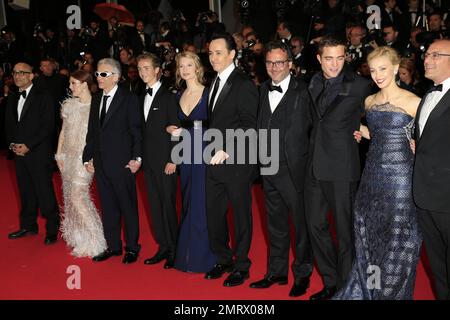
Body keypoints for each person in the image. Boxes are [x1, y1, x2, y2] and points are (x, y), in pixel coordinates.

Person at [334, 46, 422, 300]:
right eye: (373, 70)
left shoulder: (414, 101)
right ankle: (371, 289)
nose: (377, 75)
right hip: (371, 177)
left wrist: (421, 144)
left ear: (395, 68)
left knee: (398, 241)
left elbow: (433, 135)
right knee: (370, 236)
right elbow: (378, 133)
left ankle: (390, 295)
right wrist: (364, 133)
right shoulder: (370, 101)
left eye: (383, 69)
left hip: (400, 181)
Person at [305, 36, 372, 300]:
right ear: (319, 59)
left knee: (345, 232)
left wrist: (368, 130)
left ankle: (347, 287)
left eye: (340, 58)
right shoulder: (312, 82)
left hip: (342, 167)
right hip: (313, 166)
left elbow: (385, 107)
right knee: (316, 226)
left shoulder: (359, 85)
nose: (335, 64)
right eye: (329, 58)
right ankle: (331, 281)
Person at [249, 41, 313, 297]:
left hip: (295, 170)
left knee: (300, 226)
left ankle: (302, 274)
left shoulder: (304, 91)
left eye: (279, 62)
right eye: (269, 63)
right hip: (269, 168)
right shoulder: (262, 89)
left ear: (290, 65)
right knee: (275, 224)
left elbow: (314, 130)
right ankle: (276, 271)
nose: (274, 67)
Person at [204, 33, 258, 287]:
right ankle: (224, 259)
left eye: (218, 53)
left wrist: (226, 148)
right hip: (212, 162)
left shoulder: (243, 84)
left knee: (240, 216)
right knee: (214, 214)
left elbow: (250, 127)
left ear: (232, 54)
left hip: (236, 163)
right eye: (211, 53)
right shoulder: (214, 81)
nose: (213, 58)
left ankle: (242, 265)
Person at [82, 58, 142, 264]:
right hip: (100, 162)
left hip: (122, 163)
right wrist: (87, 157)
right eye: (97, 74)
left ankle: (132, 247)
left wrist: (136, 158)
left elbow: (136, 131)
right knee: (108, 207)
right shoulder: (96, 99)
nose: (99, 77)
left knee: (127, 206)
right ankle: (113, 246)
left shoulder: (129, 98)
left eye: (104, 74)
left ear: (116, 77)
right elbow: (92, 132)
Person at [166, 51, 218, 273]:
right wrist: (171, 130)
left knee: (202, 203)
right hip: (186, 153)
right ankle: (186, 255)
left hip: (205, 150)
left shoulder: (209, 93)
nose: (184, 69)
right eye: (181, 66)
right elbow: (180, 128)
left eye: (189, 65)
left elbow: (217, 124)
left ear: (197, 68)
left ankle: (206, 258)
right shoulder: (178, 95)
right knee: (188, 201)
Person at [5, 62, 60, 244]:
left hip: (38, 152)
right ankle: (28, 226)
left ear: (31, 76)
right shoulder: (12, 98)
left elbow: (48, 126)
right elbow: (9, 126)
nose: (17, 76)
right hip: (19, 154)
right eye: (15, 72)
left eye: (22, 72)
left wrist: (28, 145)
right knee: (25, 191)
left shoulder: (43, 96)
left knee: (44, 191)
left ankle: (52, 229)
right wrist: (13, 144)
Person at [55, 70, 107, 258]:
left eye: (74, 83)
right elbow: (64, 131)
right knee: (69, 196)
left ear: (85, 84)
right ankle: (80, 237)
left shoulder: (97, 106)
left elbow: (98, 137)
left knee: (78, 196)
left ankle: (97, 240)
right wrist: (59, 153)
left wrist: (92, 158)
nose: (70, 87)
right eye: (70, 83)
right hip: (67, 156)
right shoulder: (69, 105)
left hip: (84, 158)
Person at [413, 39, 450, 300]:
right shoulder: (428, 93)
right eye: (427, 54)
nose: (427, 59)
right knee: (437, 265)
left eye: (435, 54)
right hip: (424, 196)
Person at [136, 53, 179, 269]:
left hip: (166, 161)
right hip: (149, 162)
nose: (142, 72)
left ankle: (174, 249)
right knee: (154, 205)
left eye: (146, 68)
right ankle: (163, 246)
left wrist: (174, 159)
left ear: (157, 70)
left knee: (168, 205)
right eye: (139, 68)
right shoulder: (140, 94)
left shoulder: (169, 96)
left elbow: (176, 130)